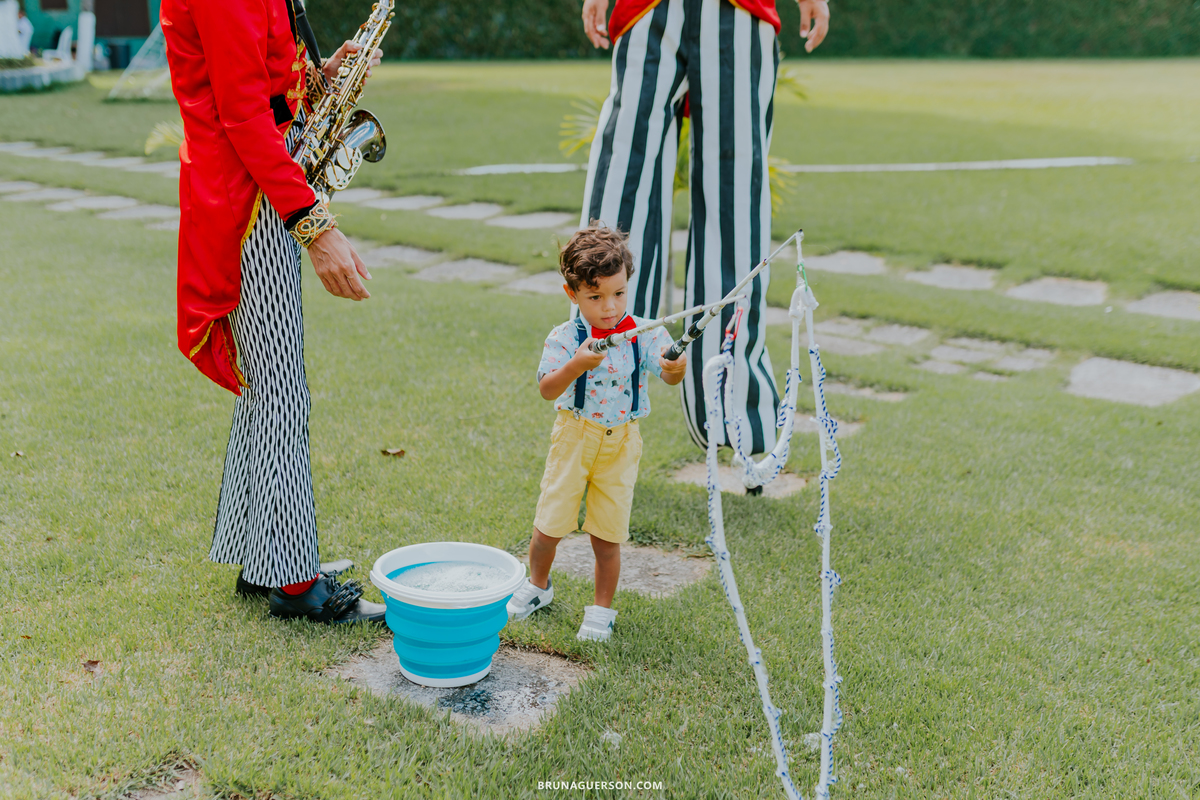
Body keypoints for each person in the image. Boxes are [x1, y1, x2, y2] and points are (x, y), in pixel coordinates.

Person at [161, 0, 386, 623]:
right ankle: (294, 584)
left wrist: (318, 76)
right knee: (282, 387)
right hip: (245, 198)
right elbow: (239, 114)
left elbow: (260, 89)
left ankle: (265, 554)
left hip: (253, 181)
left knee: (269, 385)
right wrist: (316, 226)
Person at [576, 0, 830, 467]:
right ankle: (594, 411)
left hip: (738, 10)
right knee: (618, 192)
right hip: (647, 8)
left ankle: (737, 421)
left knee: (734, 207)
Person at [508, 226, 688, 641]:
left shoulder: (645, 333)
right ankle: (538, 586)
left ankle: (601, 610)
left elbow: (667, 373)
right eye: (595, 297)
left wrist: (675, 369)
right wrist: (575, 365)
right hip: (574, 437)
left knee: (607, 535)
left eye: (619, 293)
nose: (610, 308)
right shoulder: (565, 337)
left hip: (622, 443)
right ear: (573, 295)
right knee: (549, 527)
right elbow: (546, 388)